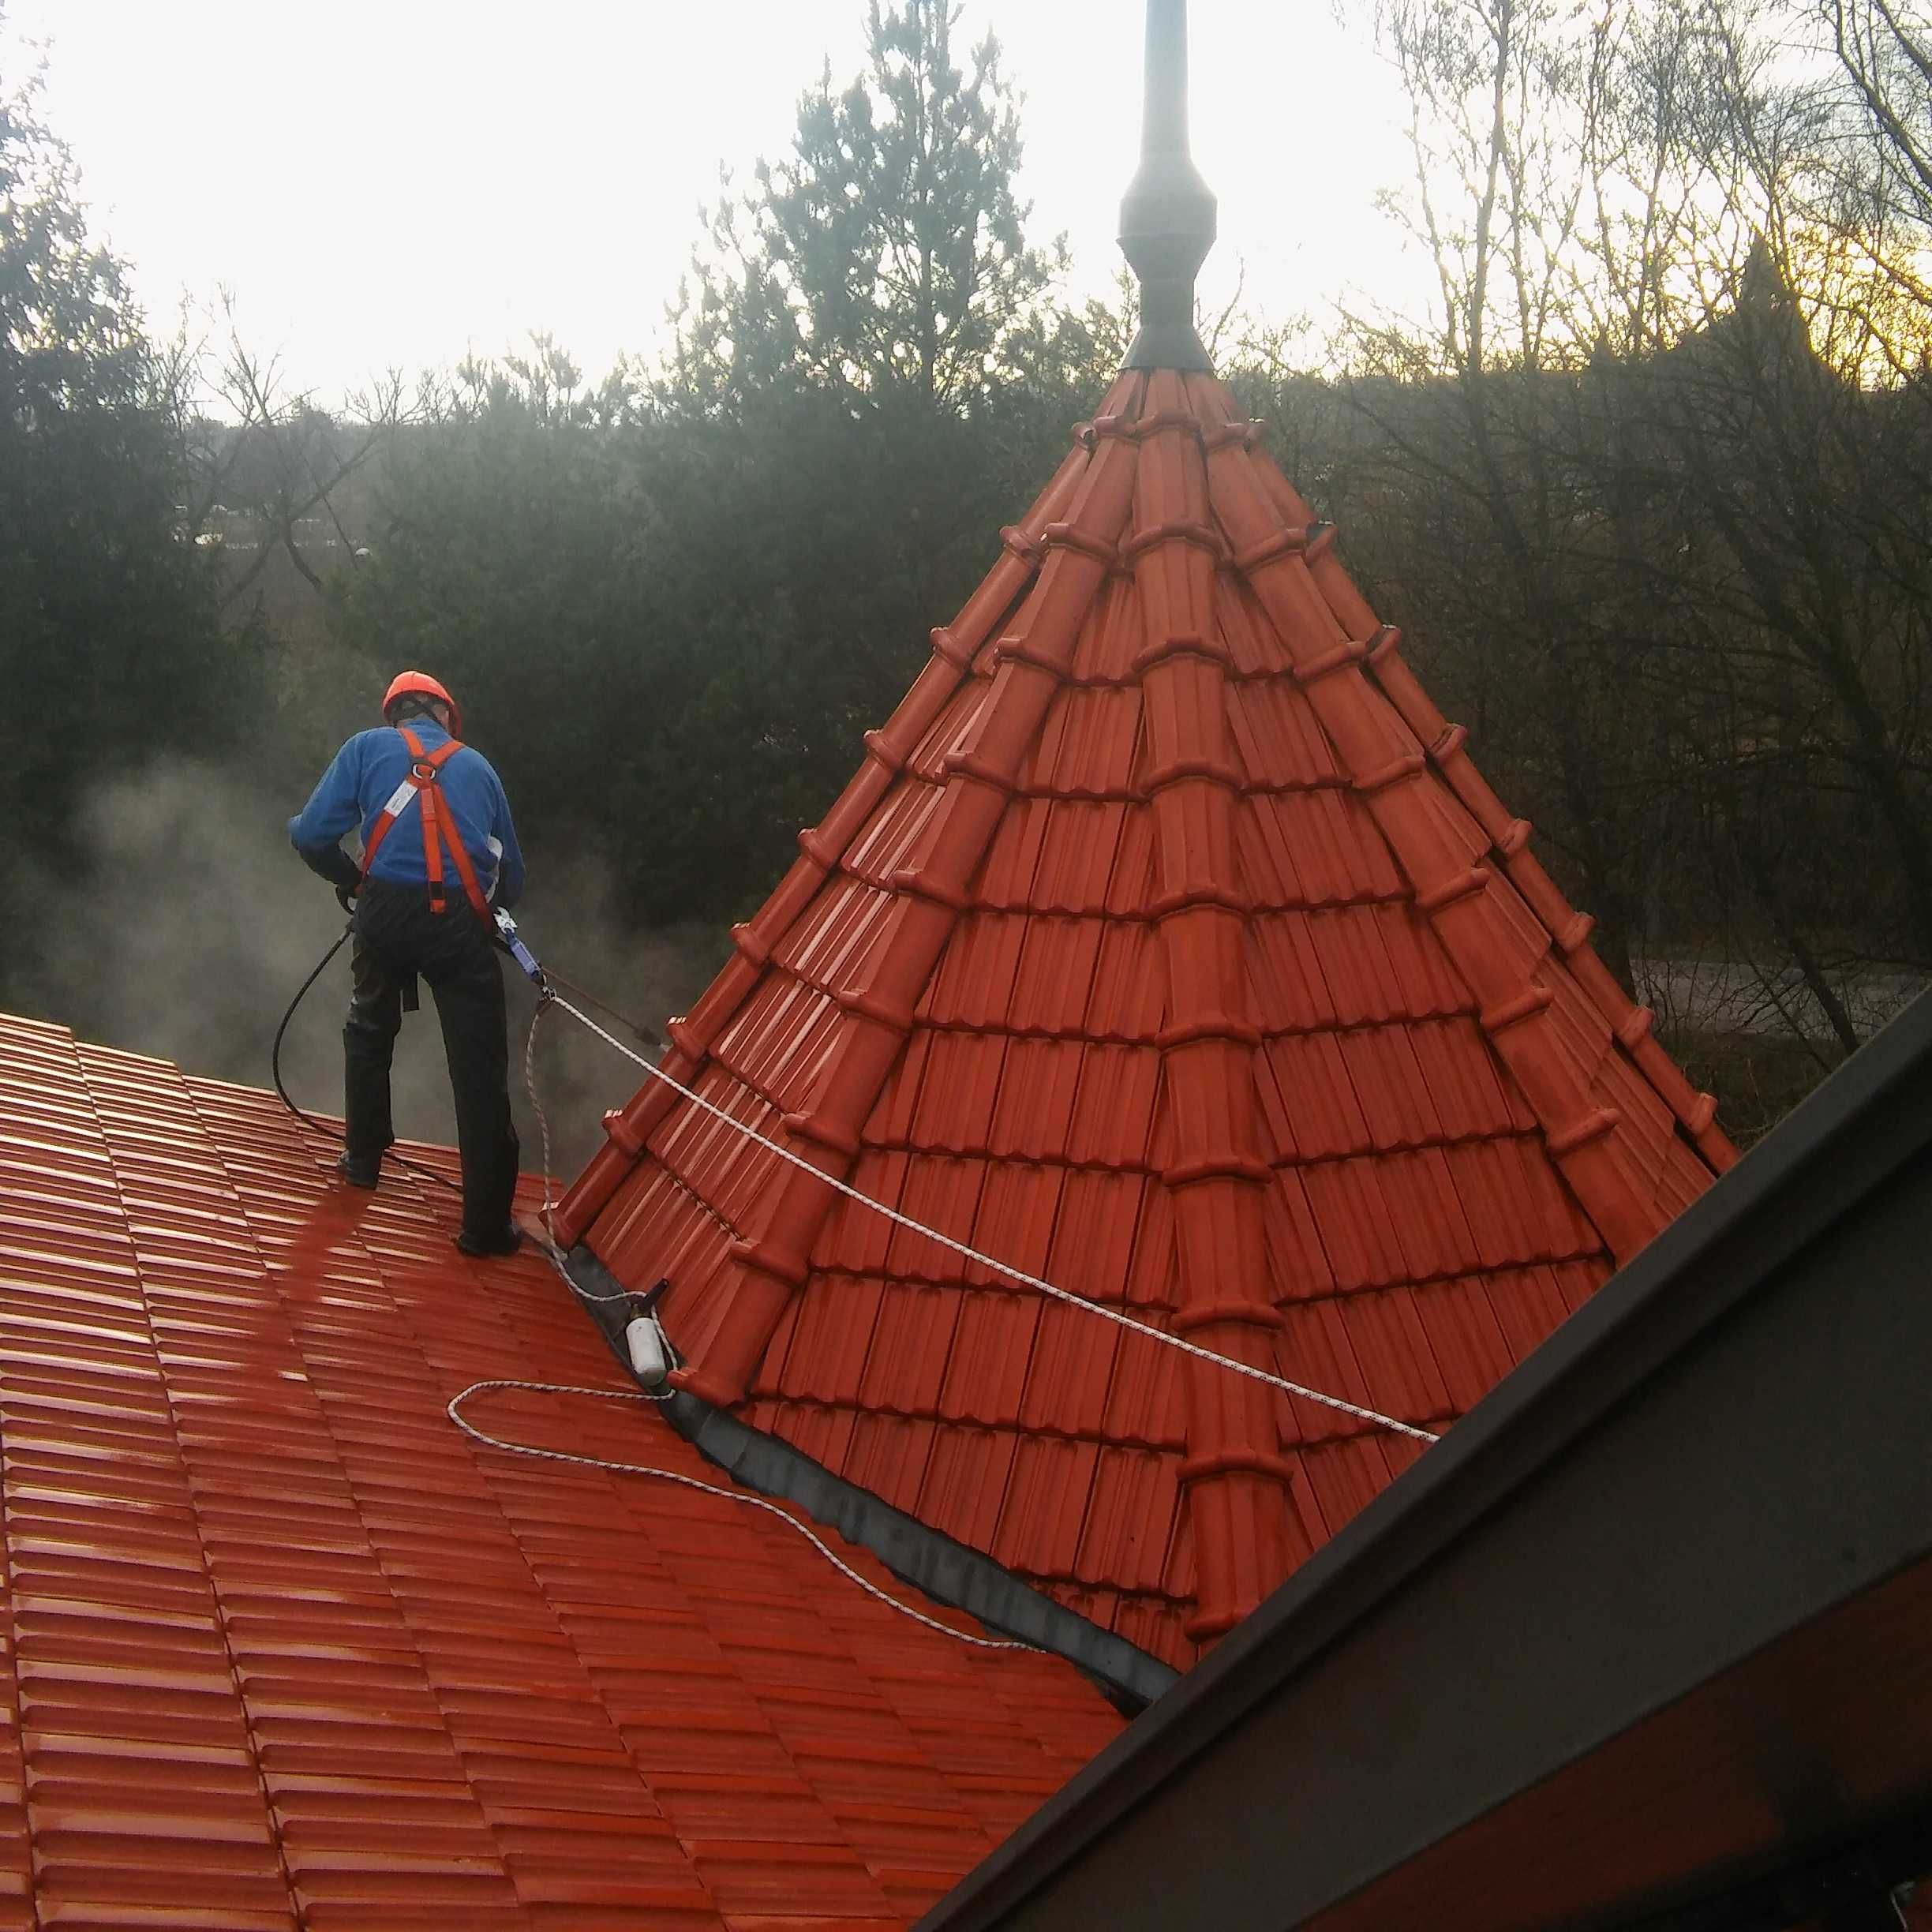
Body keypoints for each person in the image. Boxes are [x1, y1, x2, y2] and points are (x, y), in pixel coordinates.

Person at [287, 671, 527, 1256]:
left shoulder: (365, 748)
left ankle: (363, 1160)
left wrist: (353, 880)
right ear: (447, 716)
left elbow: (312, 834)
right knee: (478, 1068)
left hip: (383, 914)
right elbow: (512, 878)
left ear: (396, 714)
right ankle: (485, 1228)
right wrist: (481, 910)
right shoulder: (479, 768)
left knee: (369, 1026)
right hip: (457, 928)